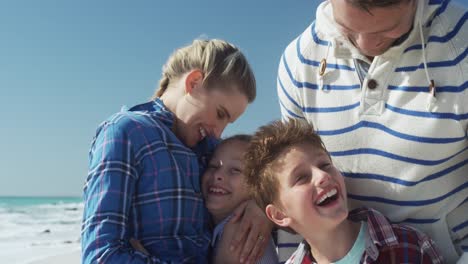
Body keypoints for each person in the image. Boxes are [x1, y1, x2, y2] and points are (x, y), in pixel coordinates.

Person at [277, 0, 467, 262]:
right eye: (348, 28)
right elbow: (288, 183)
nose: (365, 45)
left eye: (388, 29)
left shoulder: (462, 43)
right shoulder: (298, 63)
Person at [81, 38, 272, 263]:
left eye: (228, 123)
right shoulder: (127, 132)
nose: (218, 133)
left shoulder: (211, 151)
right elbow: (100, 255)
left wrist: (261, 206)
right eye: (220, 114)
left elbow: (267, 179)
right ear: (194, 82)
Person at [244, 119, 444, 263]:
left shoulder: (410, 246)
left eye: (324, 165)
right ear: (278, 215)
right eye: (302, 177)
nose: (322, 176)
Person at [201, 134, 279, 264]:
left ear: (258, 185)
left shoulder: (239, 227)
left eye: (235, 170)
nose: (218, 175)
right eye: (213, 166)